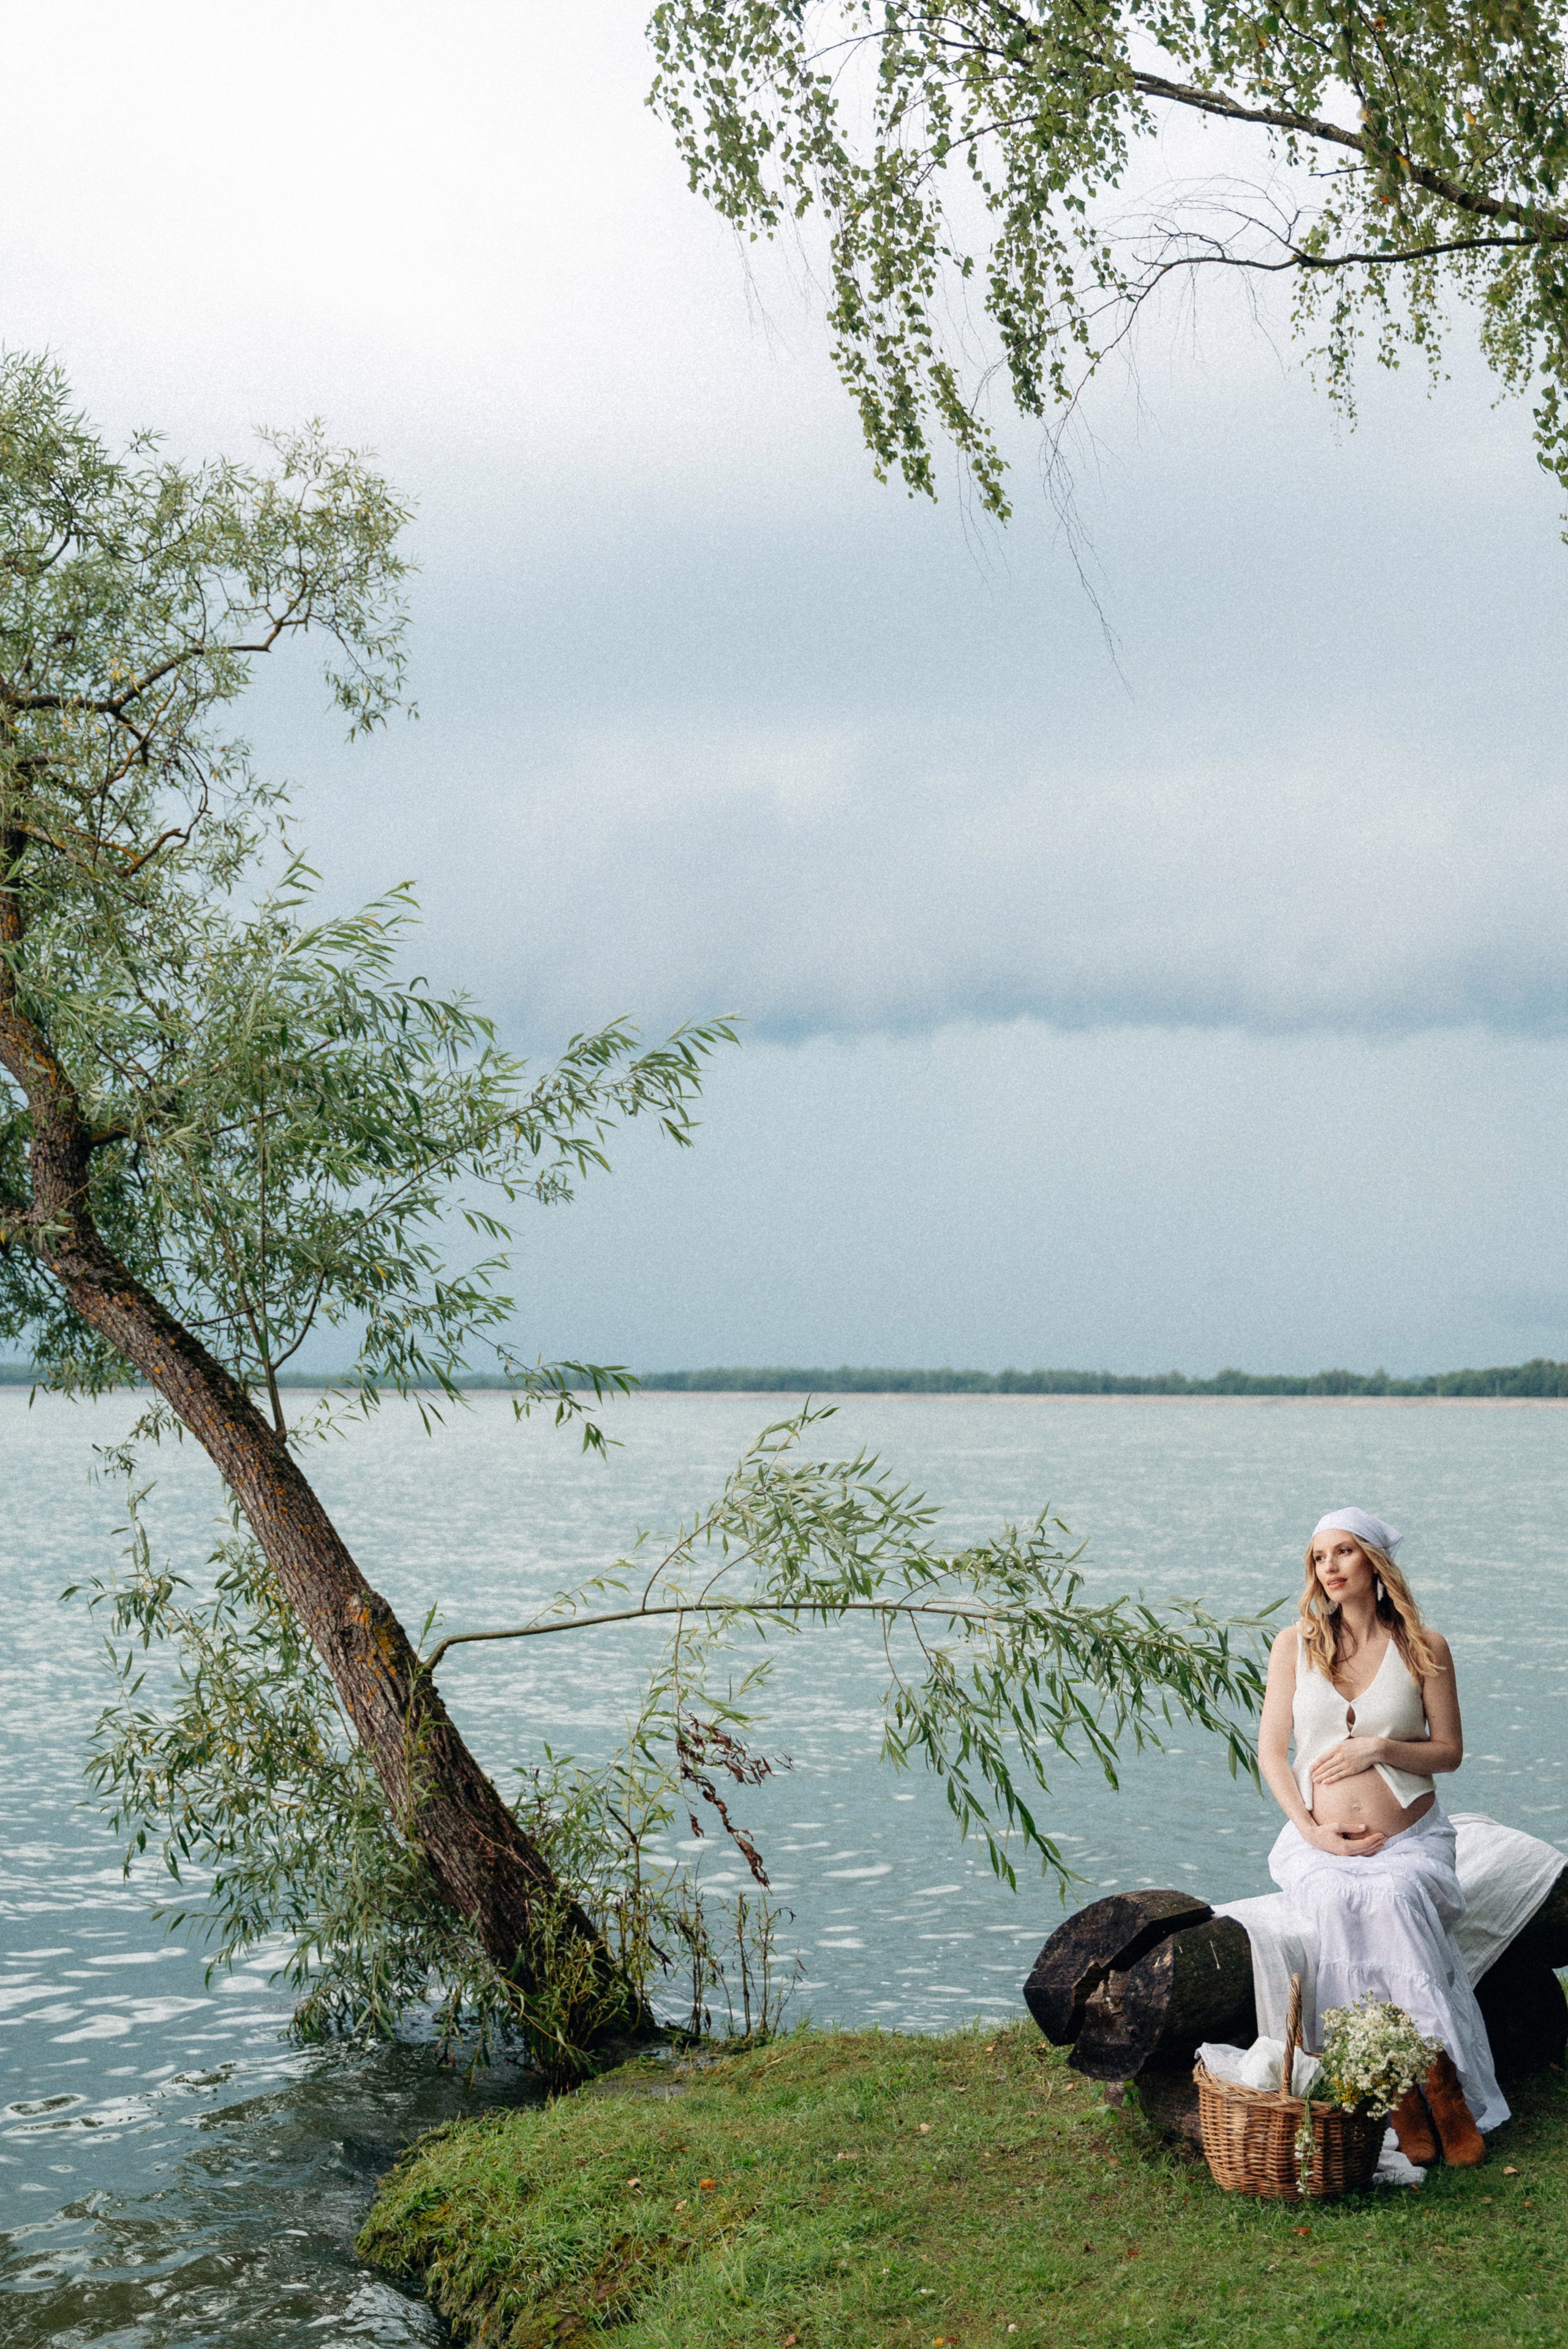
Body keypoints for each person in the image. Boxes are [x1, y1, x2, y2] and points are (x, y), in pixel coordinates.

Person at [1257, 1506, 1506, 2165]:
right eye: (1318, 1557)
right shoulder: (1293, 1645)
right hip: (1318, 1841)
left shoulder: (1424, 1645)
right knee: (1338, 1902)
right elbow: (1271, 1757)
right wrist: (1314, 1833)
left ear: (1374, 1562)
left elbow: (1448, 1752)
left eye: (1343, 1552)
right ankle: (1389, 2091)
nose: (1329, 1568)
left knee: (1394, 1894)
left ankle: (1442, 2084)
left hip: (1408, 1840)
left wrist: (1380, 1748)